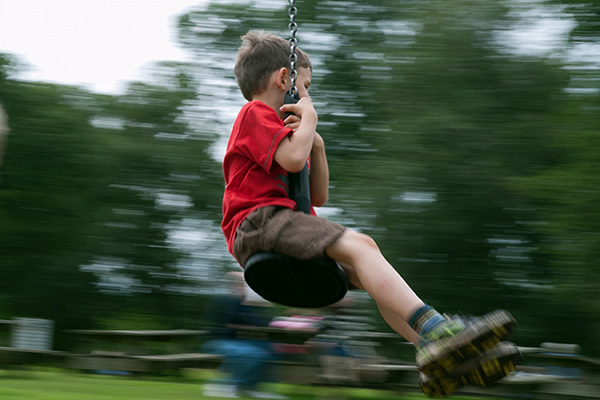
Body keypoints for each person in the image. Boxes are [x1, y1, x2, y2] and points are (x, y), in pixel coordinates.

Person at [221, 30, 521, 397]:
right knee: (362, 246)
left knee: (366, 275)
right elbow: (292, 159)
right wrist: (310, 119)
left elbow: (318, 194)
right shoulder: (255, 114)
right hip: (258, 224)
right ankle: (436, 329)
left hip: (278, 227)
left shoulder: (285, 133)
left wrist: (318, 146)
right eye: (306, 86)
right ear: (284, 79)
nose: (308, 96)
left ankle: (435, 352)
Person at [201, 272, 284, 399]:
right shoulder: (223, 300)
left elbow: (260, 323)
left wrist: (259, 306)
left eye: (244, 284)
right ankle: (223, 385)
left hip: (239, 341)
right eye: (240, 283)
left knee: (273, 350)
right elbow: (226, 324)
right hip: (219, 341)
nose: (243, 286)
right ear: (232, 285)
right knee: (252, 354)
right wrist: (247, 325)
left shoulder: (244, 303)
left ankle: (251, 387)